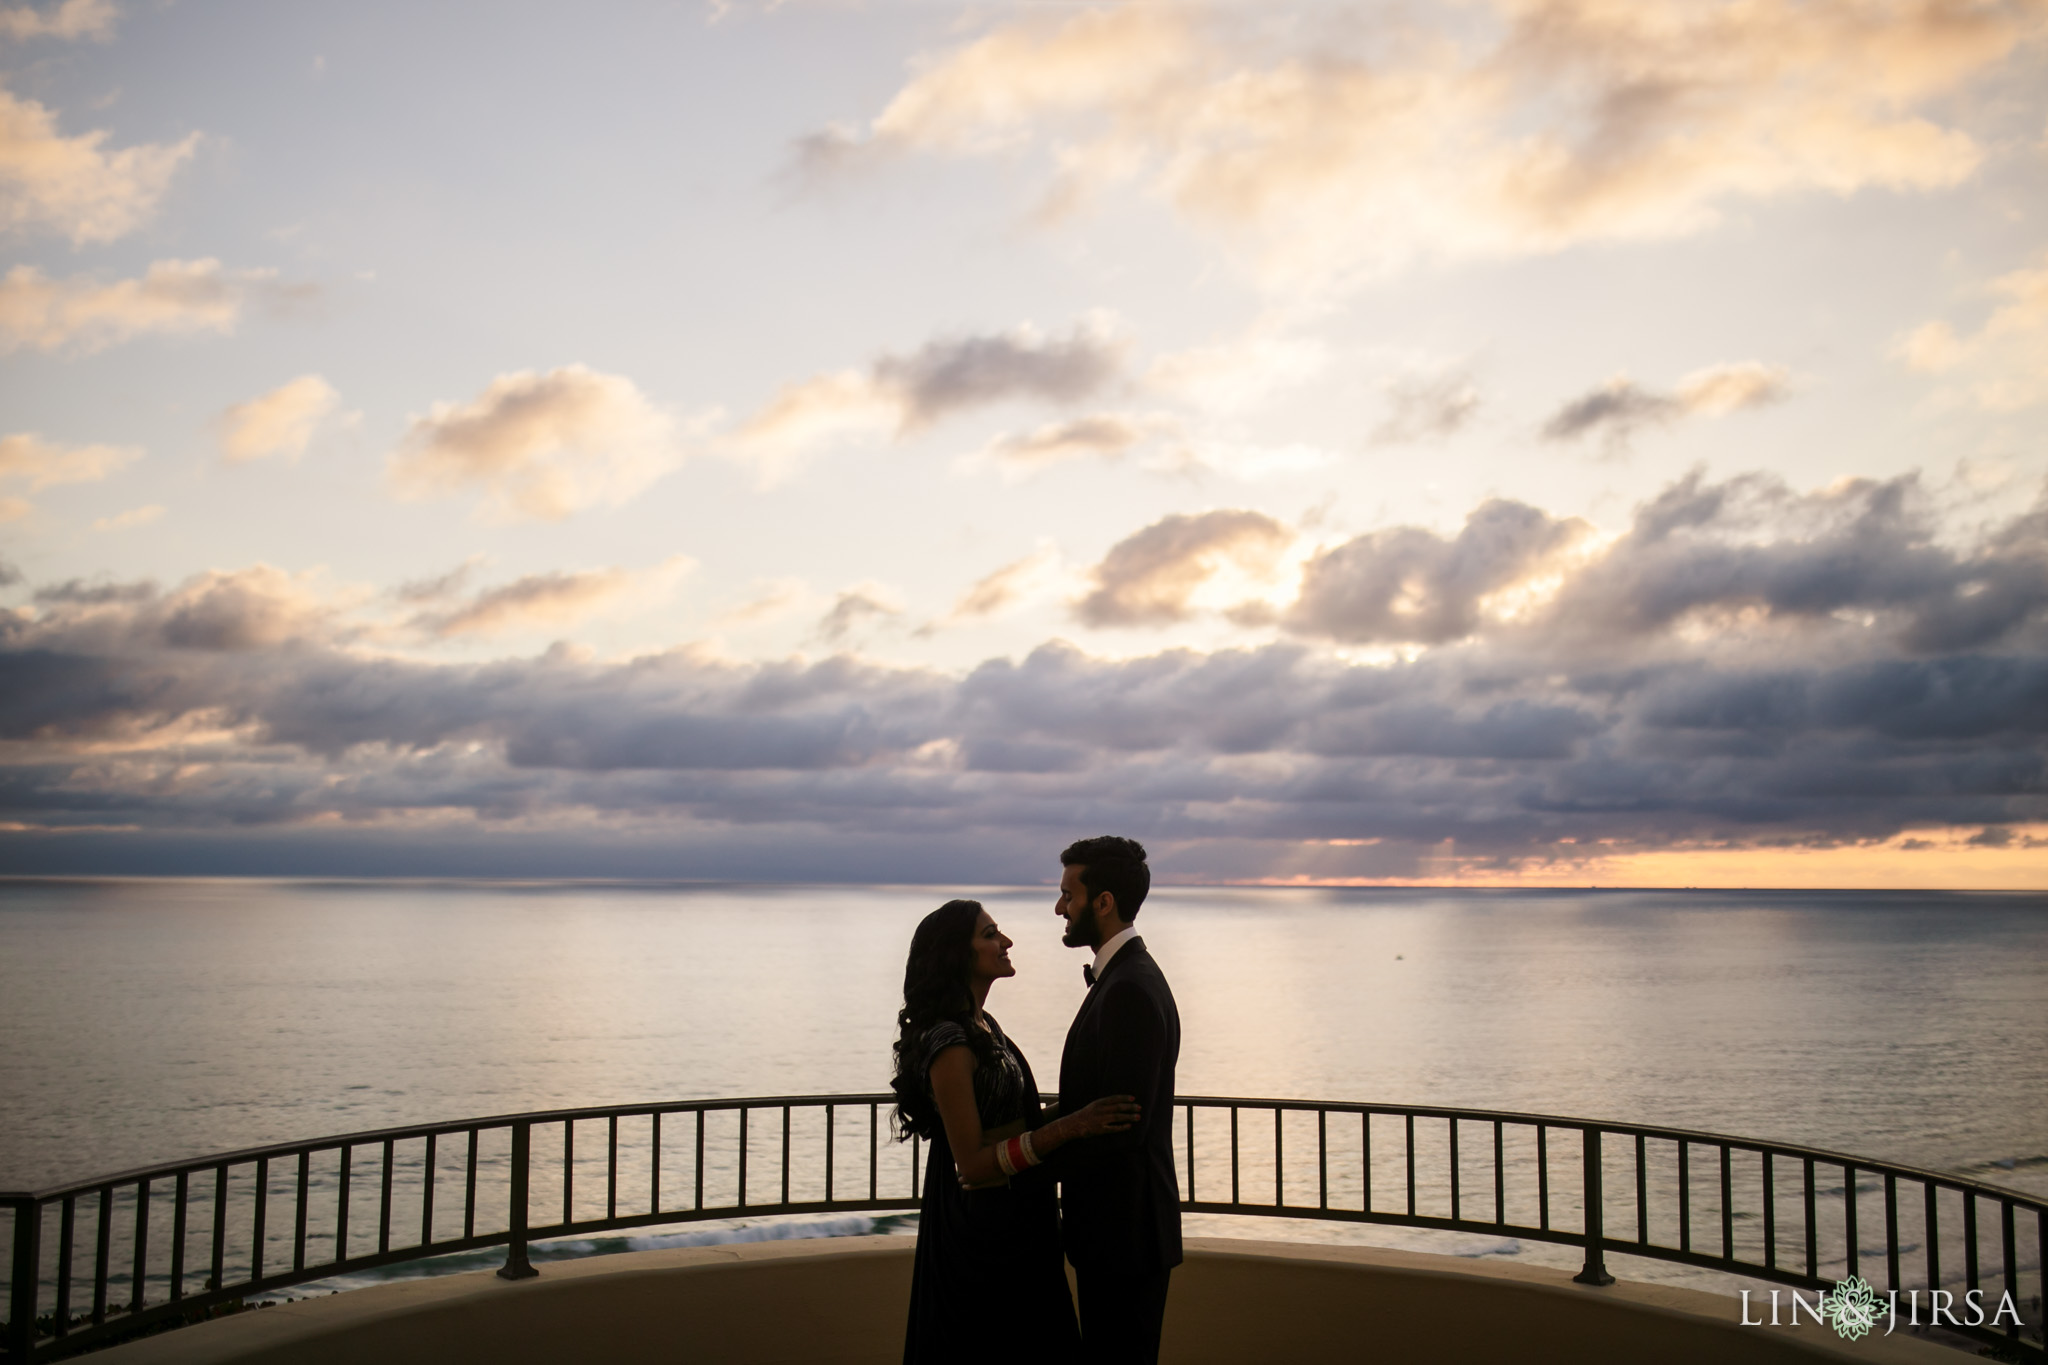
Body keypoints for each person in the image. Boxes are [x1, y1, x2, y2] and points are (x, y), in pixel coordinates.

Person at [891, 898, 1141, 1364]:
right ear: (957, 954)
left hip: (1018, 1222)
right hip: (980, 1237)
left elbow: (1016, 1125)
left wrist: (1086, 1107)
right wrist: (1071, 1125)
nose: (1005, 942)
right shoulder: (950, 1042)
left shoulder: (984, 1026)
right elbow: (973, 1164)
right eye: (990, 935)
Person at [1046, 836, 1182, 1364]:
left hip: (1124, 1239)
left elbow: (1120, 1127)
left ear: (1102, 902)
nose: (1060, 907)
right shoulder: (1127, 977)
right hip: (1119, 1236)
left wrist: (1019, 1163)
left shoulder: (1128, 988)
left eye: (1068, 895)